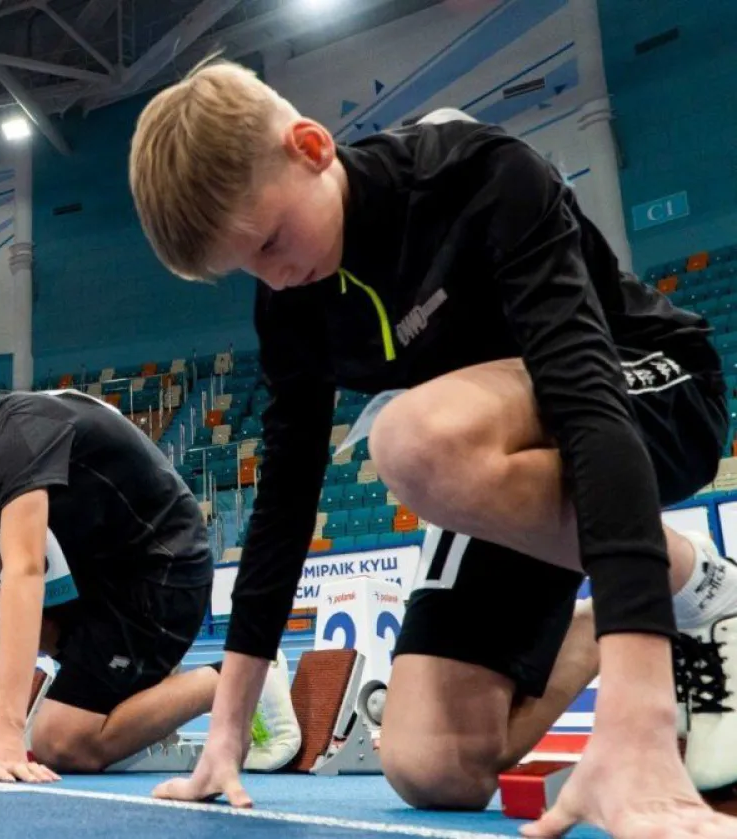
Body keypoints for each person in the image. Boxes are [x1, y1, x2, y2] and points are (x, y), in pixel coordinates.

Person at [125, 57, 737, 837]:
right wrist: (225, 735)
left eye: (272, 241)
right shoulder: (291, 304)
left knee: (411, 440)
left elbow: (585, 402)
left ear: (311, 148)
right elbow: (284, 501)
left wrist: (639, 718)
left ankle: (703, 586)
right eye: (247, 265)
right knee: (430, 767)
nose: (273, 278)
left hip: (648, 392)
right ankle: (606, 628)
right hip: (505, 466)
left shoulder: (480, 175)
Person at [0, 387, 235, 783]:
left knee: (61, 744)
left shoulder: (19, 433)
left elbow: (25, 570)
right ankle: (119, 686)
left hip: (162, 579)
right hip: (98, 588)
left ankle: (237, 681)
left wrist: (6, 728)